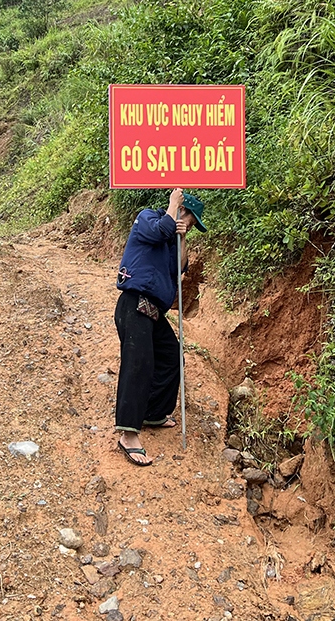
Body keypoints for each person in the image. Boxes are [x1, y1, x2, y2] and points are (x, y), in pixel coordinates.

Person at [112, 187, 207, 466]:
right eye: (190, 219)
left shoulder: (172, 238)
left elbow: (178, 269)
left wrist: (182, 238)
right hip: (134, 304)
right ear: (182, 210)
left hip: (154, 311)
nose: (189, 225)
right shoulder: (148, 218)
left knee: (171, 357)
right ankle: (128, 434)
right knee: (138, 363)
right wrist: (172, 205)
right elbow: (155, 232)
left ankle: (153, 412)